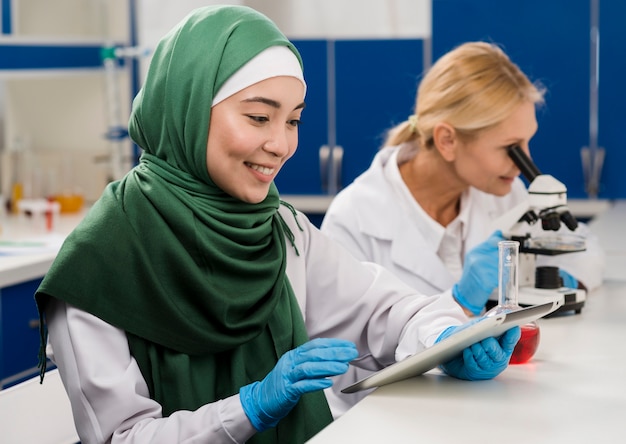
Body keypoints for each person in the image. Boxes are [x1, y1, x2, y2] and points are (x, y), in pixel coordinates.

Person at [34, 8, 520, 444]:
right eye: (259, 117)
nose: (281, 144)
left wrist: (444, 340)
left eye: (292, 122)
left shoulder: (281, 230)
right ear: (185, 111)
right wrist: (249, 408)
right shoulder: (99, 262)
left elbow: (386, 313)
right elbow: (121, 438)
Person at [321, 41, 605, 412]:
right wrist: (458, 306)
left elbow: (589, 251)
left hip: (483, 408)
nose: (524, 163)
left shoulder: (502, 192)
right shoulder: (354, 219)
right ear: (447, 140)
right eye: (511, 147)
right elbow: (342, 375)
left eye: (528, 144)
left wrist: (556, 278)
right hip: (390, 421)